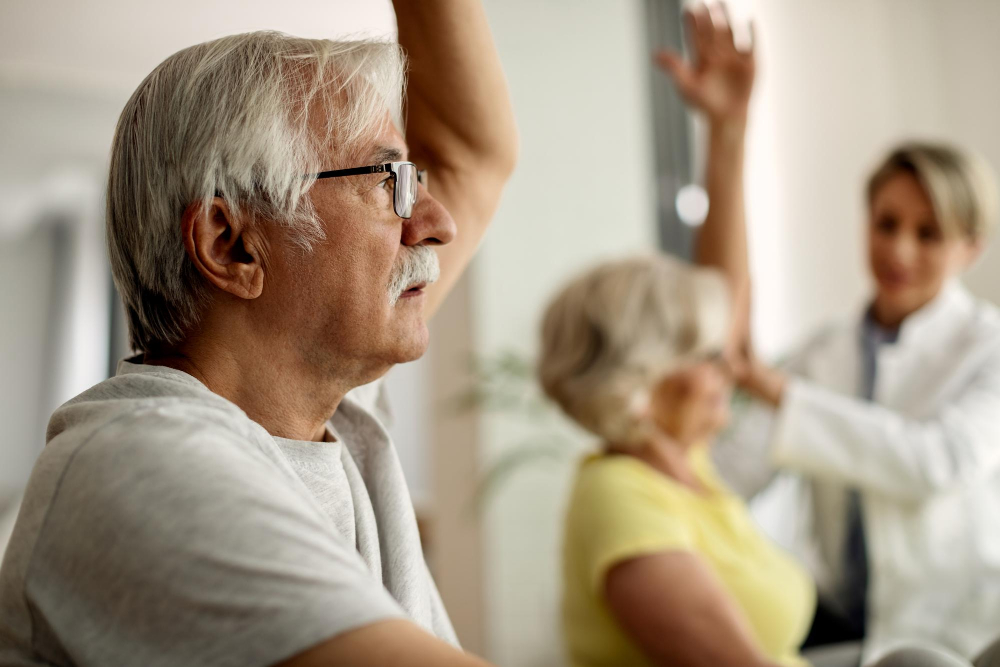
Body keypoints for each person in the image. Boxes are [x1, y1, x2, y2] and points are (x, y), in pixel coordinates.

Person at [0, 1, 517, 665]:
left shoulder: (318, 414)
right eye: (389, 179)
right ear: (233, 245)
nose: (437, 223)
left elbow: (472, 155)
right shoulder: (141, 463)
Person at [709, 21, 1000, 667]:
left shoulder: (990, 345)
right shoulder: (822, 350)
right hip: (845, 624)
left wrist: (782, 392)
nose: (899, 249)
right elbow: (735, 473)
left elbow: (938, 462)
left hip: (968, 626)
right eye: (887, 222)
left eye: (929, 233)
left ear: (970, 247)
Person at [540, 8, 818, 666]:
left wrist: (727, 130)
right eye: (702, 354)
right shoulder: (620, 499)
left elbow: (724, 303)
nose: (729, 361)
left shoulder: (679, 462)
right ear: (636, 385)